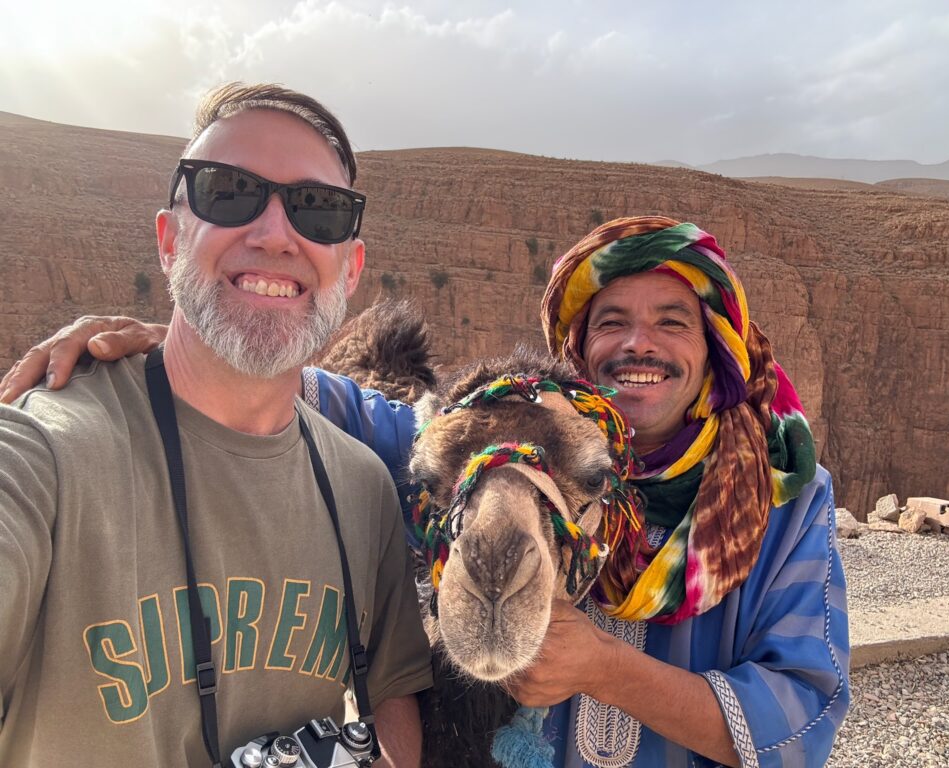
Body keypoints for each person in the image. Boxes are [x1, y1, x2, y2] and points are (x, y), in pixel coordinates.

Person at [1, 215, 849, 767]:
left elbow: (805, 715)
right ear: (579, 343)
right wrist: (183, 348)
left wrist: (608, 670)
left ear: (718, 343)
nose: (640, 345)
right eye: (612, 321)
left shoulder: (777, 504)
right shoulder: (508, 445)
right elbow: (350, 407)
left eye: (672, 320)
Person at [0, 83, 432, 767]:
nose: (272, 235)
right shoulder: (44, 452)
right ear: (170, 241)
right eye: (228, 192)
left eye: (317, 211)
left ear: (350, 269)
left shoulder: (364, 486)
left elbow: (394, 691)